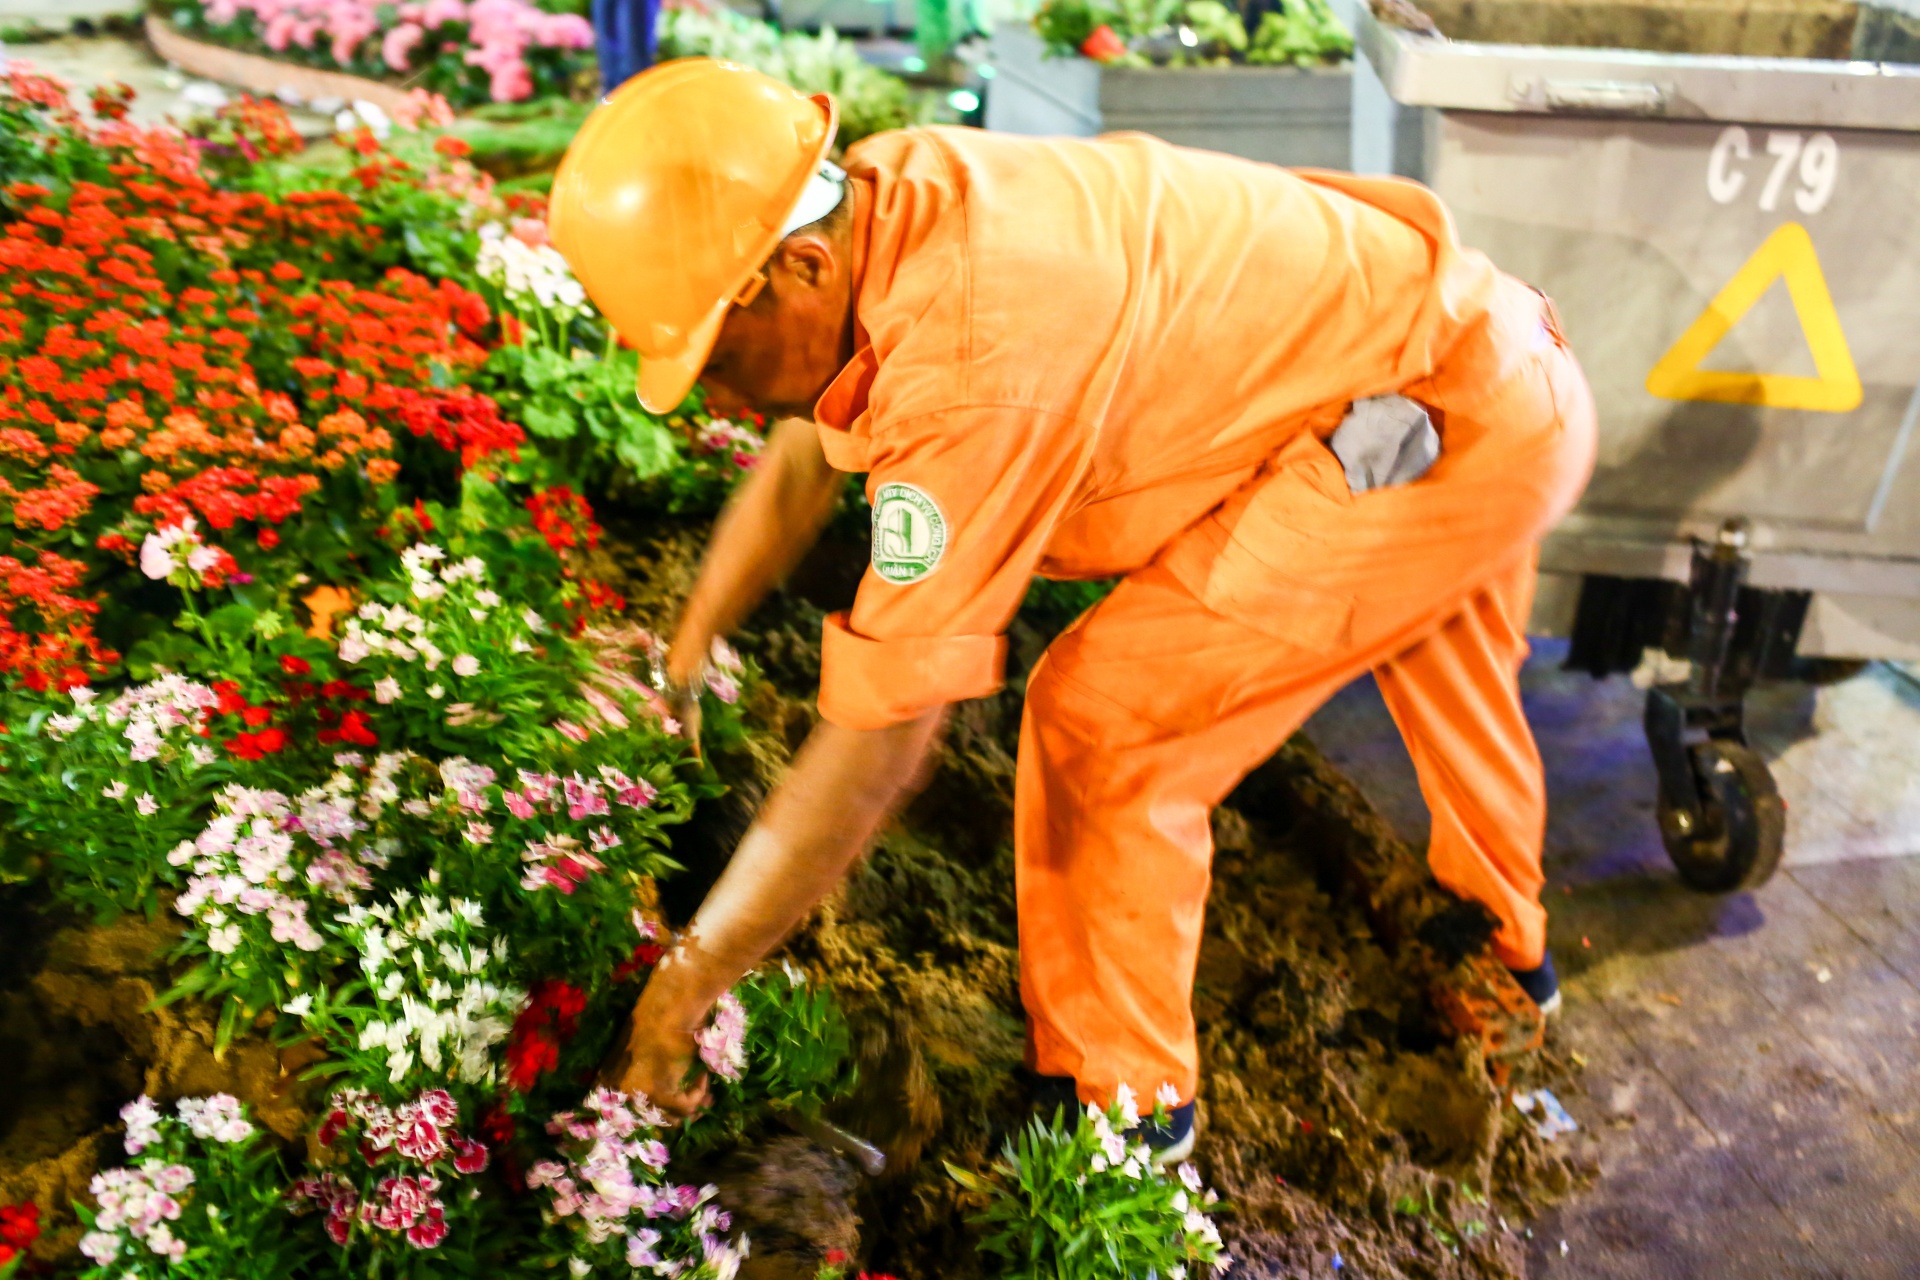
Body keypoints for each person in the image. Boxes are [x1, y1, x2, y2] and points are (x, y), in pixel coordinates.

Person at [548, 58, 1597, 1160]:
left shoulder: (969, 363)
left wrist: (690, 979)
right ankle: (1508, 961)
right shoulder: (894, 192)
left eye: (713, 352)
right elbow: (808, 446)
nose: (711, 390)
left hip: (1428, 424)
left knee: (1106, 724)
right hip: (1483, 365)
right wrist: (691, 637)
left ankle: (1127, 1115)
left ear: (802, 264)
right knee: (1438, 650)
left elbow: (885, 729)